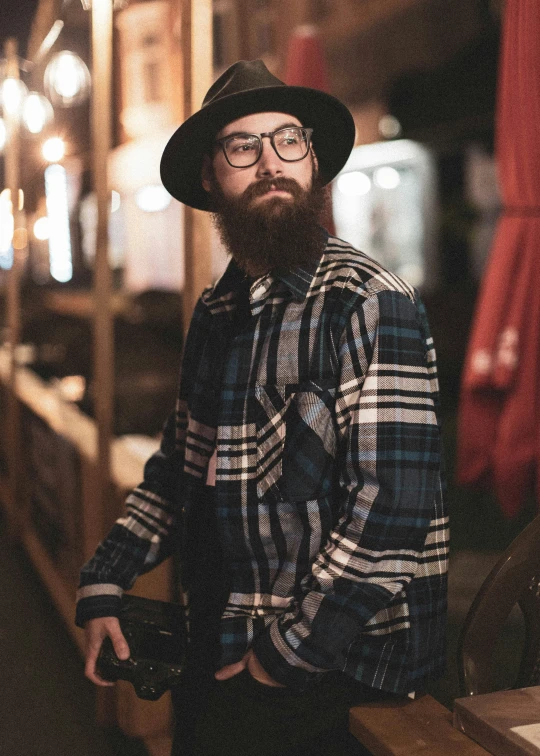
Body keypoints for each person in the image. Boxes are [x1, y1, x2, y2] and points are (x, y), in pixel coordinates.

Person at [76, 60, 448, 756]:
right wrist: (104, 576)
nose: (271, 162)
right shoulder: (218, 310)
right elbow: (176, 472)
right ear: (212, 179)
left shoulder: (368, 302)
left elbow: (394, 512)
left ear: (312, 161)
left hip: (340, 663)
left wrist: (283, 654)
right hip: (223, 630)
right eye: (243, 146)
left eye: (288, 141)